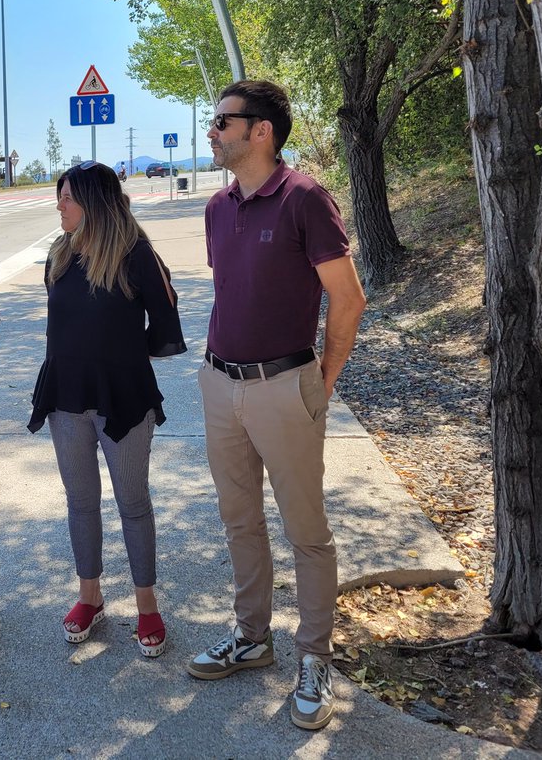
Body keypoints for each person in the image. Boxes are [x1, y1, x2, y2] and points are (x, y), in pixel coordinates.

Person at [186, 81, 366, 731]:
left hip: (285, 386)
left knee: (306, 533)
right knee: (240, 522)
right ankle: (251, 636)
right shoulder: (216, 208)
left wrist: (322, 378)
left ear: (260, 130)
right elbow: (234, 291)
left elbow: (348, 299)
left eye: (222, 122)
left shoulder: (305, 199)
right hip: (218, 385)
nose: (212, 131)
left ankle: (313, 656)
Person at [27, 161, 186, 657]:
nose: (59, 205)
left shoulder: (136, 254)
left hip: (124, 399)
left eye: (67, 198)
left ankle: (146, 606)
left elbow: (164, 325)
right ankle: (89, 596)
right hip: (65, 397)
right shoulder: (60, 253)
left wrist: (121, 356)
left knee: (133, 504)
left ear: (94, 202)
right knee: (81, 502)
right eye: (58, 196)